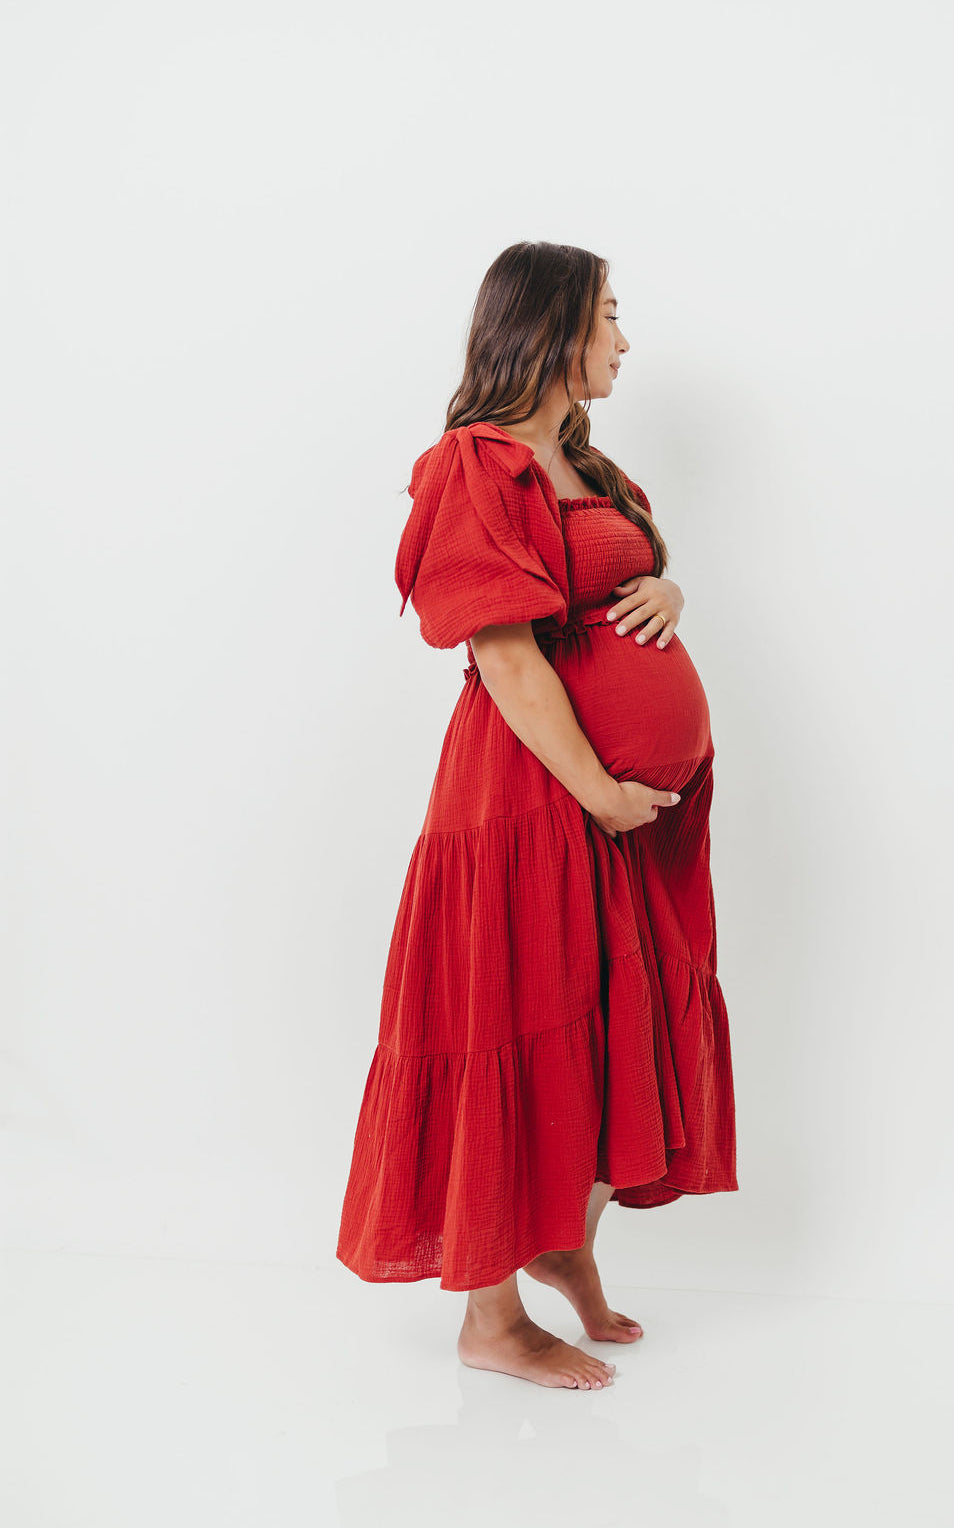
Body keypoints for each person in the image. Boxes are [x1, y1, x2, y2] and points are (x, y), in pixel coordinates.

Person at [336, 241, 738, 1391]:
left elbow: (623, 580)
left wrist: (667, 585)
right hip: (529, 796)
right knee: (512, 1016)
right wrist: (600, 791)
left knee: (608, 1021)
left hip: (614, 818)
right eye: (608, 316)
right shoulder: (475, 464)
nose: (623, 339)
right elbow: (507, 658)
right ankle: (491, 1320)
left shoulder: (588, 466)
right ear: (553, 328)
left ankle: (564, 1240)